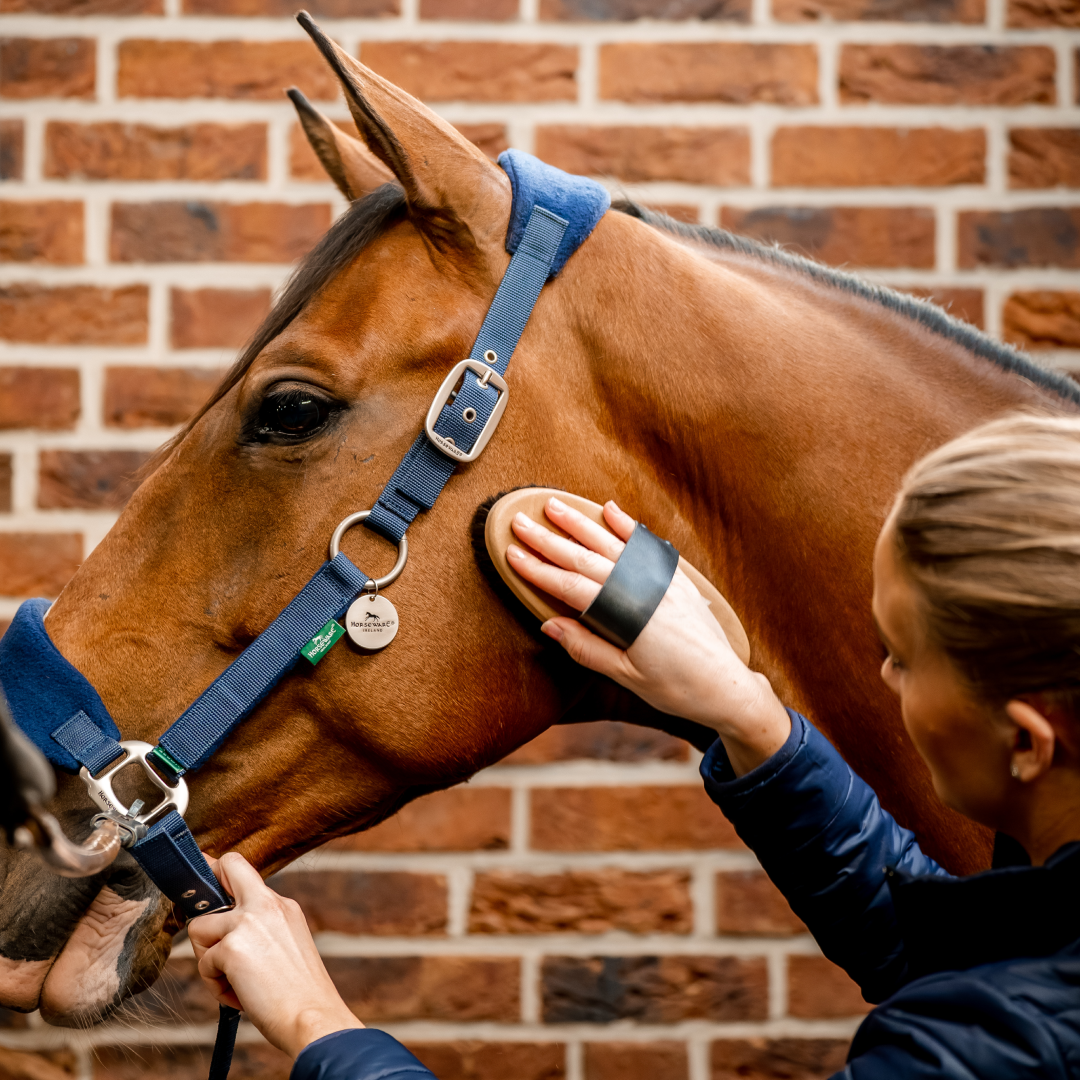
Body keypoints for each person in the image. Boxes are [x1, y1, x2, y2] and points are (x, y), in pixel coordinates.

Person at [190, 412, 1080, 1078]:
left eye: (903, 656)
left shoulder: (985, 1045)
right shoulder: (1023, 993)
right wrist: (750, 717)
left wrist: (316, 1024)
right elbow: (943, 949)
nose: (883, 680)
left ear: (1029, 743)